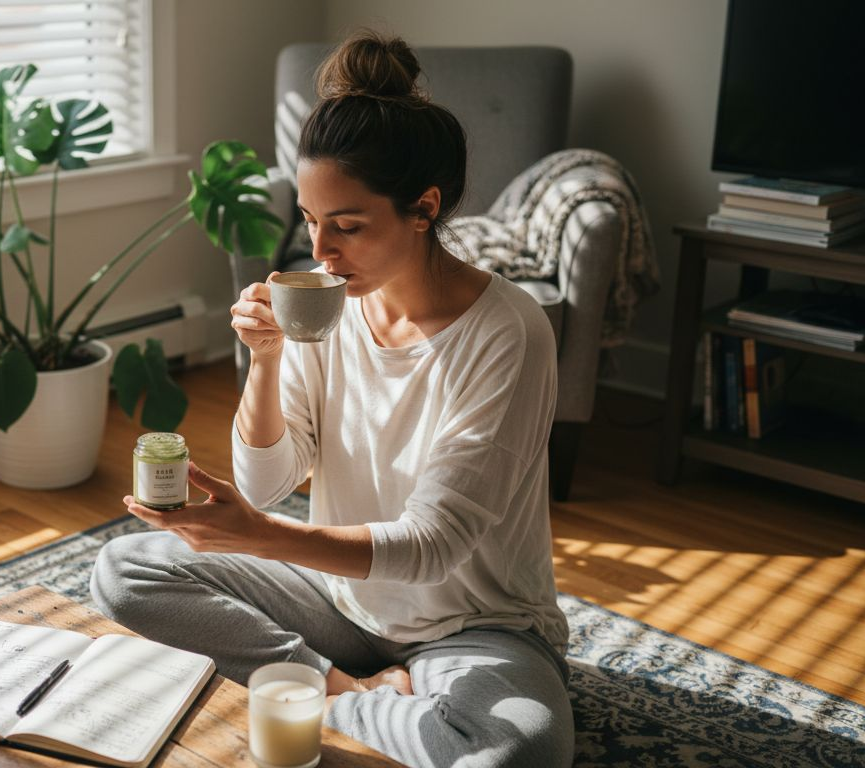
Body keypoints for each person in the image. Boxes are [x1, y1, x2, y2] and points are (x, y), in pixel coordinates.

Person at [90, 29, 573, 768]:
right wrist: (266, 360)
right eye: (312, 222)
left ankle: (327, 696)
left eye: (346, 226)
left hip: (473, 625)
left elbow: (433, 545)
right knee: (122, 571)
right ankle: (340, 682)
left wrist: (255, 535)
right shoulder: (327, 308)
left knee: (517, 754)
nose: (320, 253)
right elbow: (269, 483)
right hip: (337, 600)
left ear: (424, 207)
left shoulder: (509, 331)